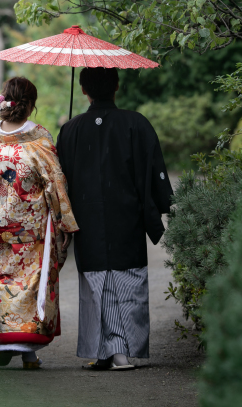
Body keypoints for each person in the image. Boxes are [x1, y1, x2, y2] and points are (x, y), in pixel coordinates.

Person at [56, 67, 173, 371]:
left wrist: (61, 219)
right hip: (127, 216)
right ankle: (120, 352)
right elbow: (154, 170)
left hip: (88, 219)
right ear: (117, 86)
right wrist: (163, 203)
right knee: (126, 279)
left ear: (83, 90)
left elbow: (60, 183)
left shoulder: (70, 130)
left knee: (97, 284)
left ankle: (109, 352)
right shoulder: (136, 124)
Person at [0, 76, 79, 370]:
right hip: (31, 230)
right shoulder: (40, 139)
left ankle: (4, 342)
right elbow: (56, 184)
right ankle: (27, 350)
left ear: (4, 101)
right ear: (32, 106)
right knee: (29, 285)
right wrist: (65, 222)